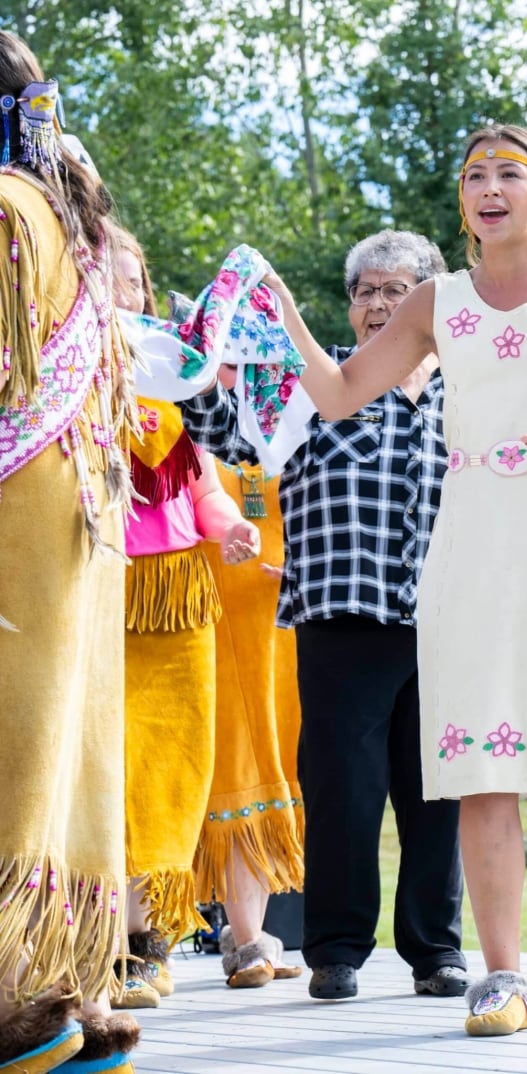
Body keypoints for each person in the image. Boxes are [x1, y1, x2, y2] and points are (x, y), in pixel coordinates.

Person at [253, 125, 527, 1034]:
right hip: (472, 535)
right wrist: (284, 311)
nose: (490, 187)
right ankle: (503, 977)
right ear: (463, 199)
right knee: (483, 770)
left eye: (508, 174)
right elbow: (336, 394)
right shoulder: (435, 302)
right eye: (474, 173)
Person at [179, 229, 469, 1003]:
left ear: (429, 298)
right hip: (342, 611)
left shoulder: (471, 386)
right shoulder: (316, 380)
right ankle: (336, 950)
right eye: (364, 291)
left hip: (449, 617)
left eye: (394, 289)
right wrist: (200, 362)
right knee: (340, 793)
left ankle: (436, 949)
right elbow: (220, 433)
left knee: (439, 793)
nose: (377, 304)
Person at [0, 31, 139, 1074]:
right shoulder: (79, 220)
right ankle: (73, 989)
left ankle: (17, 999)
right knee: (67, 744)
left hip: (23, 521)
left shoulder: (8, 211)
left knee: (21, 742)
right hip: (78, 514)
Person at [110, 226, 261, 1009]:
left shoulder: (175, 373)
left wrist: (230, 526)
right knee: (102, 770)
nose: (120, 288)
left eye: (131, 276)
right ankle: (87, 941)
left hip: (173, 596)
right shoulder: (50, 370)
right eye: (99, 272)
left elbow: (202, 482)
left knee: (171, 766)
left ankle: (148, 944)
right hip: (93, 590)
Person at [194, 362, 305, 990]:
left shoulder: (296, 417)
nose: (238, 368)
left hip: (285, 623)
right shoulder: (186, 414)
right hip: (205, 616)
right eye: (224, 353)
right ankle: (235, 939)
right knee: (235, 770)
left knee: (272, 769)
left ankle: (251, 939)